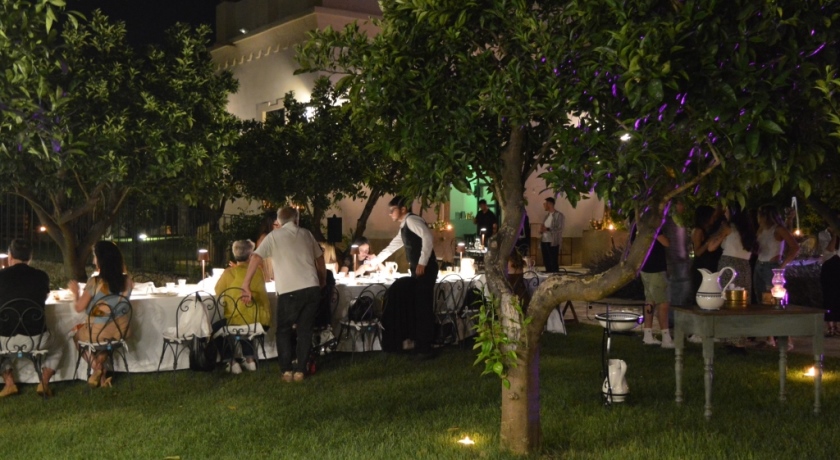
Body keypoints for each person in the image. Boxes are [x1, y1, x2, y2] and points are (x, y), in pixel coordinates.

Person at [240, 207, 326, 383]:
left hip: (289, 290)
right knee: (305, 330)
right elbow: (320, 258)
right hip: (311, 288)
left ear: (278, 222)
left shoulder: (274, 236)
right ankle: (300, 370)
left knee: (284, 330)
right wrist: (322, 279)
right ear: (296, 219)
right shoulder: (307, 234)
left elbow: (256, 257)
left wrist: (245, 284)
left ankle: (286, 370)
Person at [358, 196, 439, 359]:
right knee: (419, 307)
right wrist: (374, 262)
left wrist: (422, 262)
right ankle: (421, 345)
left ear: (403, 209)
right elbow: (391, 247)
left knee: (423, 308)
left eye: (392, 210)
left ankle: (425, 349)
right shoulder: (405, 226)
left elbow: (428, 238)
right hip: (419, 270)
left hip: (425, 269)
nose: (390, 214)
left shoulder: (412, 221)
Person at [69, 240, 133, 389]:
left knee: (76, 336)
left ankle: (97, 368)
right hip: (121, 331)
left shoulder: (95, 282)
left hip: (97, 332)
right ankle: (102, 378)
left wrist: (75, 293)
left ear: (101, 260)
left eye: (95, 257)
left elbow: (79, 308)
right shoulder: (128, 281)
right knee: (105, 342)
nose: (93, 261)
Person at [0, 239, 54, 397]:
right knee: (61, 343)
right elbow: (44, 298)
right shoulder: (41, 276)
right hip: (37, 339)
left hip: (5, 339)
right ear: (30, 257)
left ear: (10, 256)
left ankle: (9, 383)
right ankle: (44, 382)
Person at [215, 240, 270, 374]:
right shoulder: (258, 271)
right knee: (245, 321)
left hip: (237, 321)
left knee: (215, 329)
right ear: (251, 255)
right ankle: (250, 360)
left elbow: (218, 291)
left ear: (234, 254)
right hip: (260, 321)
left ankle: (231, 362)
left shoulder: (229, 273)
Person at [635, 224, 673, 348]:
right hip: (656, 268)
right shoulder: (652, 225)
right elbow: (666, 242)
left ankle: (648, 335)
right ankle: (666, 338)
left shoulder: (637, 224)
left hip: (644, 267)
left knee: (650, 301)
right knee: (663, 303)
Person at [753, 205, 800, 300]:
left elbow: (795, 247)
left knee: (771, 298)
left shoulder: (778, 229)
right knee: (759, 296)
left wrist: (783, 265)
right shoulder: (761, 229)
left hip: (771, 266)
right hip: (759, 265)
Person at [690, 205, 725, 300]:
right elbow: (697, 252)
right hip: (701, 265)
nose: (714, 219)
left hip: (709, 264)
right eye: (712, 216)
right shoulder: (698, 231)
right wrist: (708, 242)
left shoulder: (708, 229)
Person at [818, 227, 840, 336]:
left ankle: (837, 325)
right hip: (829, 266)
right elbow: (830, 249)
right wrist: (835, 235)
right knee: (829, 296)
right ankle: (830, 326)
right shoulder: (823, 234)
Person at [539, 197, 564, 273]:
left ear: (550, 204)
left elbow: (559, 228)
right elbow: (544, 227)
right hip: (544, 240)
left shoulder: (559, 215)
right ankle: (548, 273)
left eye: (545, 204)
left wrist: (548, 229)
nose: (544, 205)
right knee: (546, 260)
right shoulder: (546, 216)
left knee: (553, 260)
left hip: (553, 241)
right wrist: (541, 230)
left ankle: (554, 275)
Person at [255, 213, 280, 282]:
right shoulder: (264, 238)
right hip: (268, 275)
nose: (280, 227)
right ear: (270, 225)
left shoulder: (277, 237)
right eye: (277, 225)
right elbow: (259, 259)